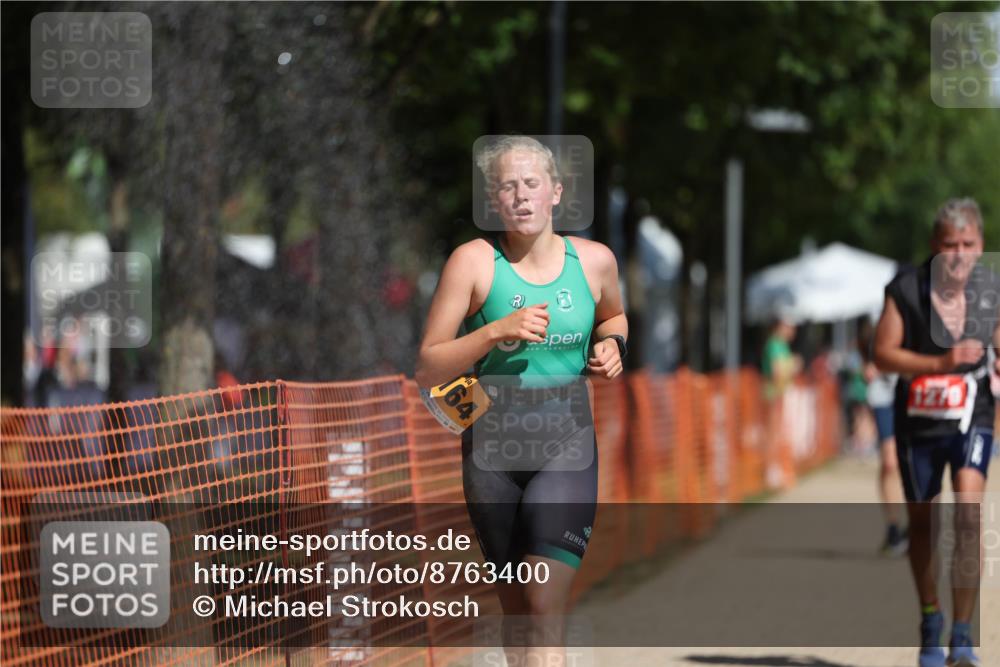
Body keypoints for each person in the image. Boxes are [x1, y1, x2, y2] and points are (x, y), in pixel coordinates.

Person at [415, 135, 627, 665]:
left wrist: (612, 345)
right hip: (492, 451)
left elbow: (614, 317)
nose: (521, 196)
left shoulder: (595, 261)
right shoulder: (472, 263)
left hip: (567, 446)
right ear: (493, 201)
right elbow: (430, 364)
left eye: (531, 184)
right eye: (507, 187)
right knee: (516, 614)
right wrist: (494, 332)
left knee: (543, 605)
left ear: (556, 192)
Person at [873, 197, 999, 667]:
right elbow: (883, 354)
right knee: (926, 523)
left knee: (968, 516)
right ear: (934, 245)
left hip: (973, 417)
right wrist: (938, 364)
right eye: (950, 244)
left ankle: (963, 636)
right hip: (919, 423)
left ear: (981, 245)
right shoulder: (907, 289)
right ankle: (931, 621)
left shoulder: (991, 288)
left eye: (968, 244)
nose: (960, 254)